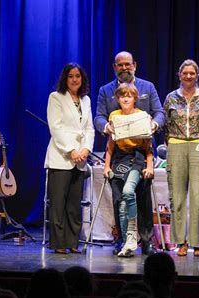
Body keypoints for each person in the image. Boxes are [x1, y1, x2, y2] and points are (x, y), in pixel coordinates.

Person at [95, 51, 165, 256]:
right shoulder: (105, 90)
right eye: (120, 65)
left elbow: (159, 112)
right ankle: (123, 239)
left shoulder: (148, 87)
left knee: (142, 196)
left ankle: (146, 240)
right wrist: (106, 127)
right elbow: (98, 116)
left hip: (142, 152)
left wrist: (154, 124)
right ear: (114, 67)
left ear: (135, 65)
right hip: (117, 152)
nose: (124, 68)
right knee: (119, 198)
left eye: (128, 64)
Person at [164, 59, 199, 256]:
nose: (188, 76)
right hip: (176, 145)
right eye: (184, 73)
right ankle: (180, 242)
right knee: (176, 196)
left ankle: (197, 243)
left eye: (192, 73)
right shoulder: (171, 98)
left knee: (198, 195)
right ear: (179, 75)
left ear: (197, 75)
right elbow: (166, 125)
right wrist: (172, 143)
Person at [45, 63, 95, 254]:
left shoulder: (86, 100)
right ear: (65, 79)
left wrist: (85, 149)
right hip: (61, 157)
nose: (75, 79)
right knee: (58, 204)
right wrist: (72, 150)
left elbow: (89, 128)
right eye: (71, 76)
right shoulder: (56, 98)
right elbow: (56, 128)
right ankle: (59, 244)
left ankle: (73, 242)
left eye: (78, 76)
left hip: (80, 159)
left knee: (74, 205)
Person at [104, 83, 154, 258]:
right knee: (120, 200)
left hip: (138, 158)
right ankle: (125, 240)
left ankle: (140, 238)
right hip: (119, 158)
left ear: (135, 98)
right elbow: (110, 145)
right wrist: (106, 166)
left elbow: (148, 147)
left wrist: (149, 166)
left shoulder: (142, 116)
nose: (126, 98)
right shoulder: (114, 116)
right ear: (117, 98)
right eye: (122, 95)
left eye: (129, 95)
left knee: (131, 193)